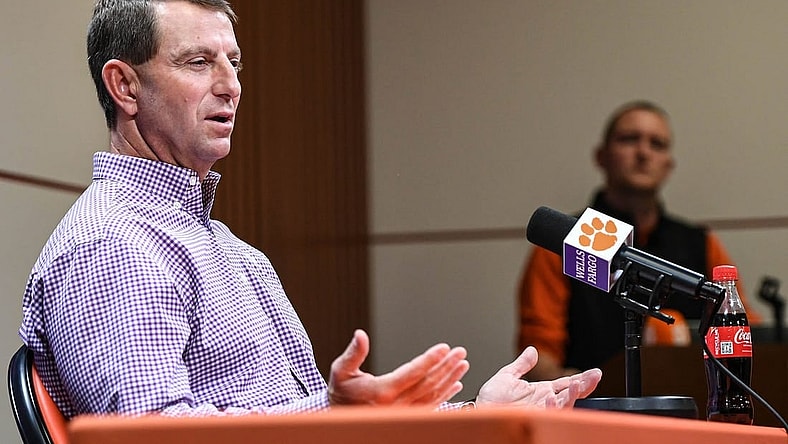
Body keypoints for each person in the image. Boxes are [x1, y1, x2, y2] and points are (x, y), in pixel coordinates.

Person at [19, 0, 601, 419]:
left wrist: (475, 416)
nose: (232, 86)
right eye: (199, 63)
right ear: (124, 86)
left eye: (235, 63)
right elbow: (149, 436)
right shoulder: (112, 243)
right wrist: (331, 410)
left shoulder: (227, 248)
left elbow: (316, 426)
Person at [517, 100, 761, 381]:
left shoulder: (702, 243)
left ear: (668, 165)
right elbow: (537, 361)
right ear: (601, 156)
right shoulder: (564, 242)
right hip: (595, 416)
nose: (643, 152)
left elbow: (747, 333)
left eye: (657, 144)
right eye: (629, 139)